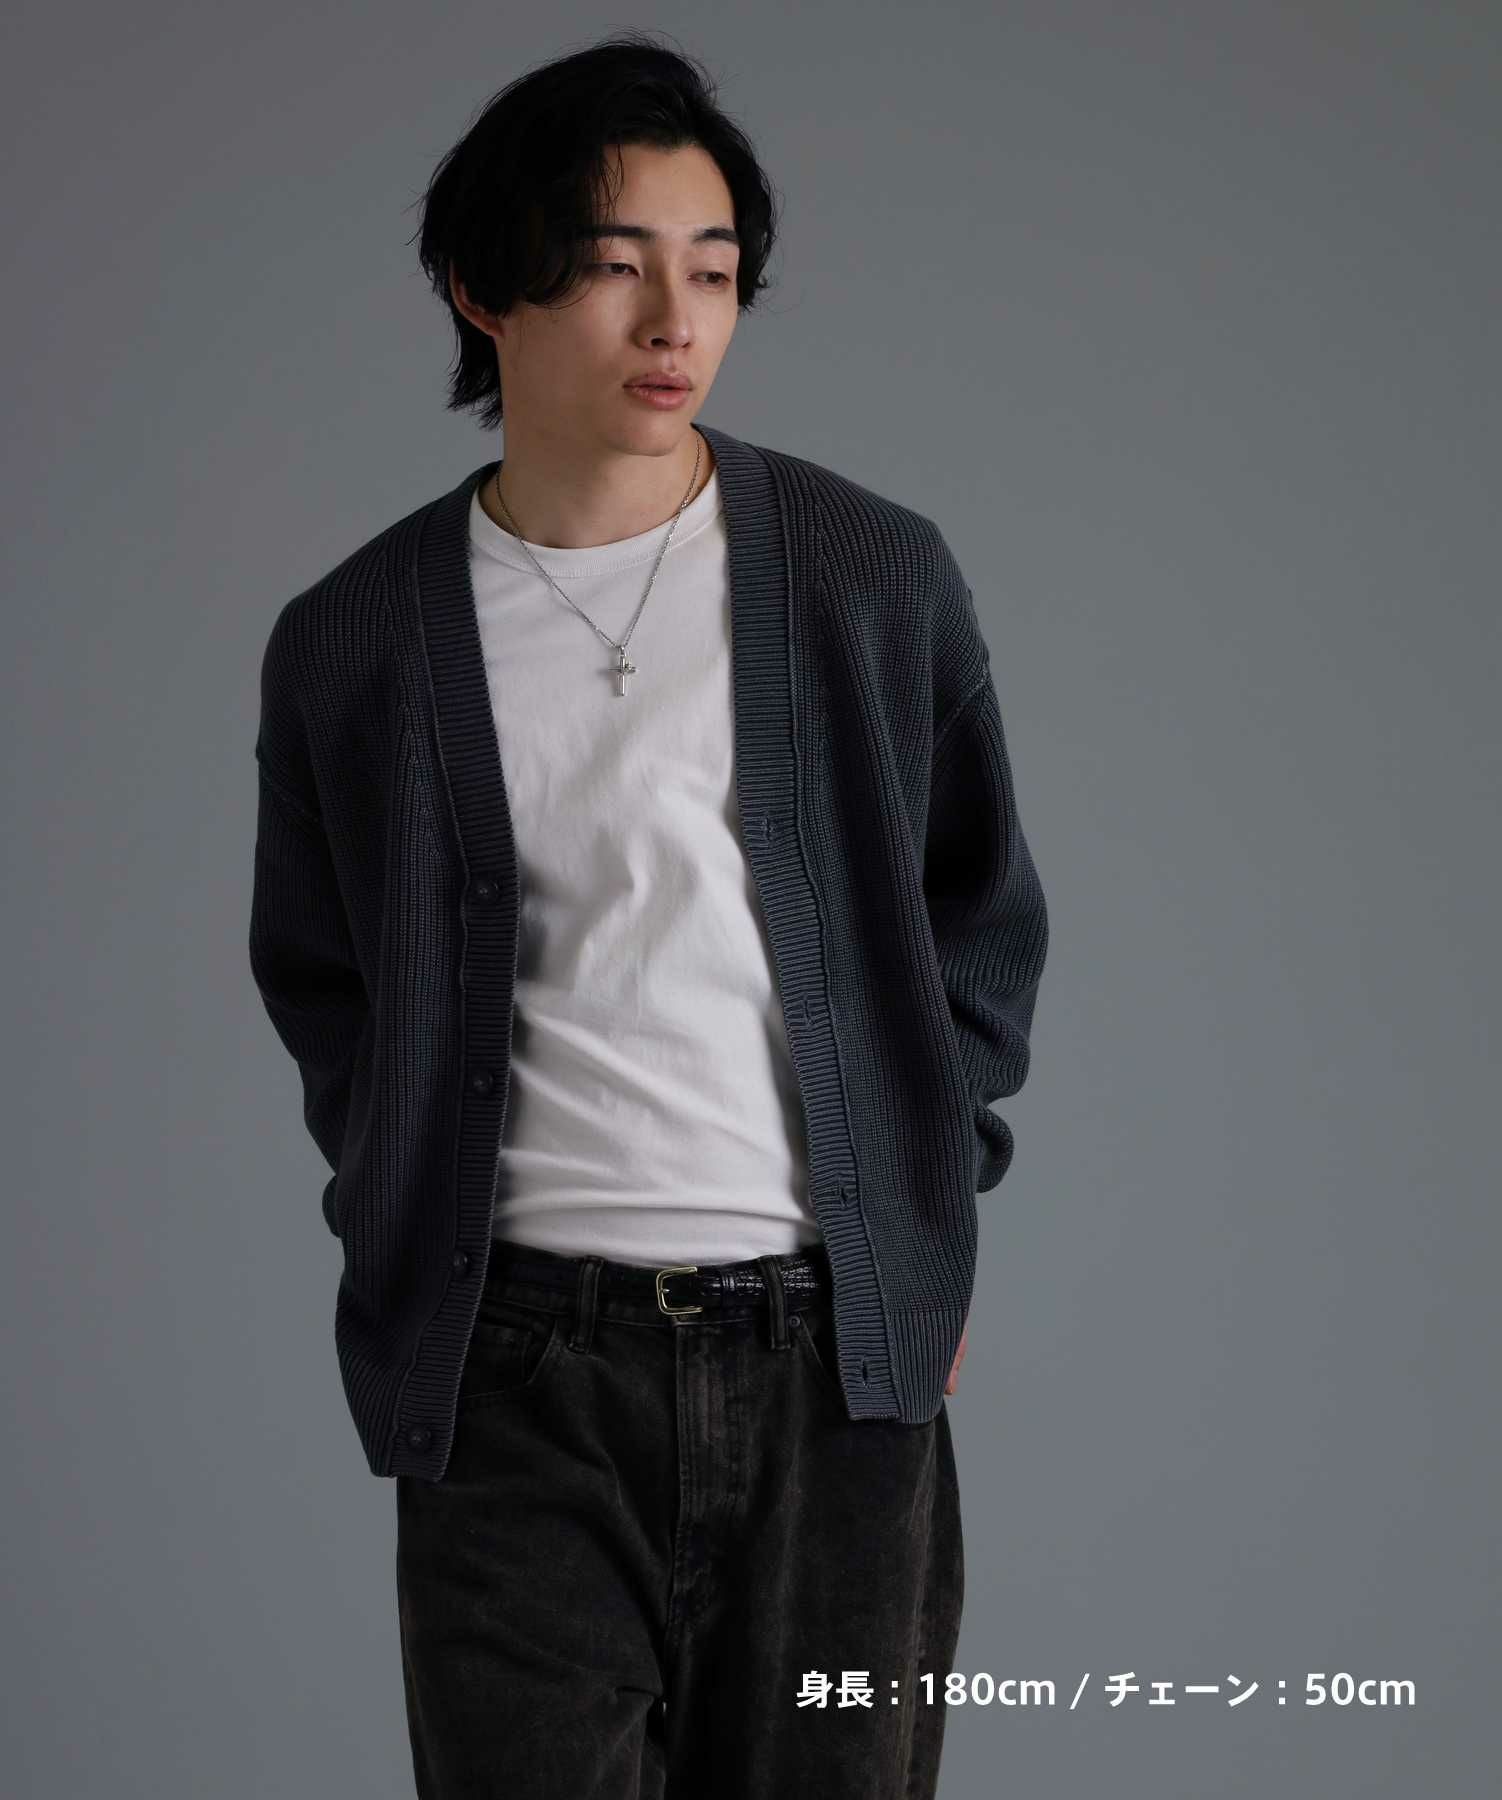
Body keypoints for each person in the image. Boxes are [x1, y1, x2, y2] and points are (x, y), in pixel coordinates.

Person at [248, 29, 1049, 1800]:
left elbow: (980, 917)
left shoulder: (867, 578)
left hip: (833, 1372)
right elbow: (322, 985)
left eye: (713, 269)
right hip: (515, 1374)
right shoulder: (356, 643)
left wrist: (921, 1213)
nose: (673, 320)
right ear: (483, 290)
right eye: (614, 267)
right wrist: (403, 1207)